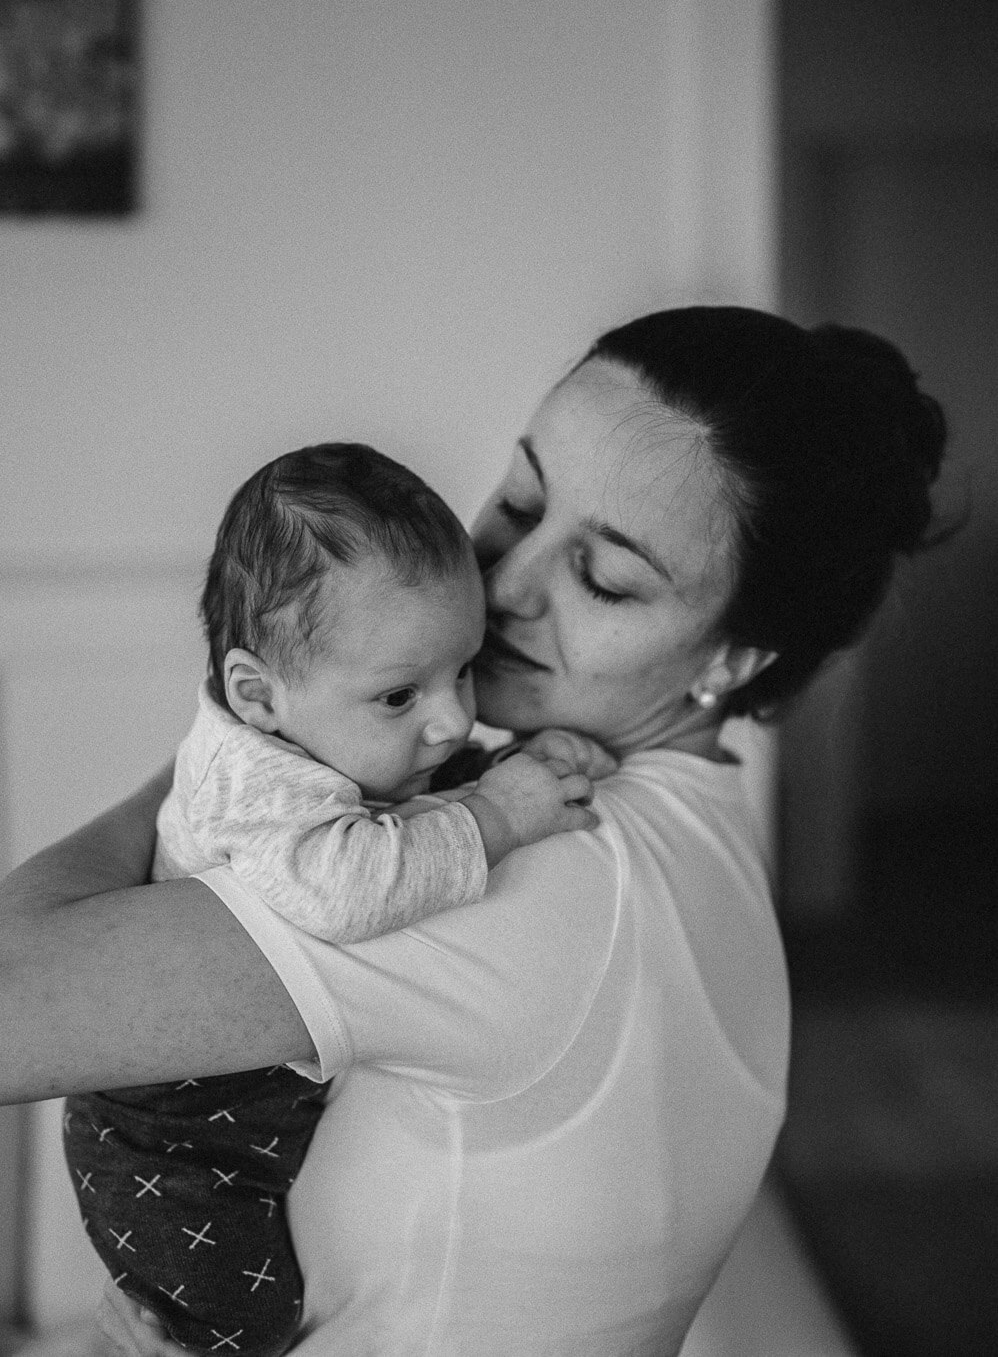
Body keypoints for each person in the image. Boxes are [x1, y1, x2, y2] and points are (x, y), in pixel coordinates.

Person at [0, 307, 948, 1357]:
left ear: (731, 659)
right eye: (520, 498)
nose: (499, 583)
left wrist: (250, 742)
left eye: (604, 578)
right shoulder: (683, 829)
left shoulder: (535, 859)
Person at [62, 440, 606, 1357]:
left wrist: (508, 770)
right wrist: (496, 819)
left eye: (461, 670)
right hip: (167, 1141)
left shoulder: (320, 724)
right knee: (237, 1330)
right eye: (400, 696)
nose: (451, 718)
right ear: (257, 693)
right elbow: (346, 887)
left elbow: (410, 794)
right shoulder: (262, 787)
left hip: (253, 1117)